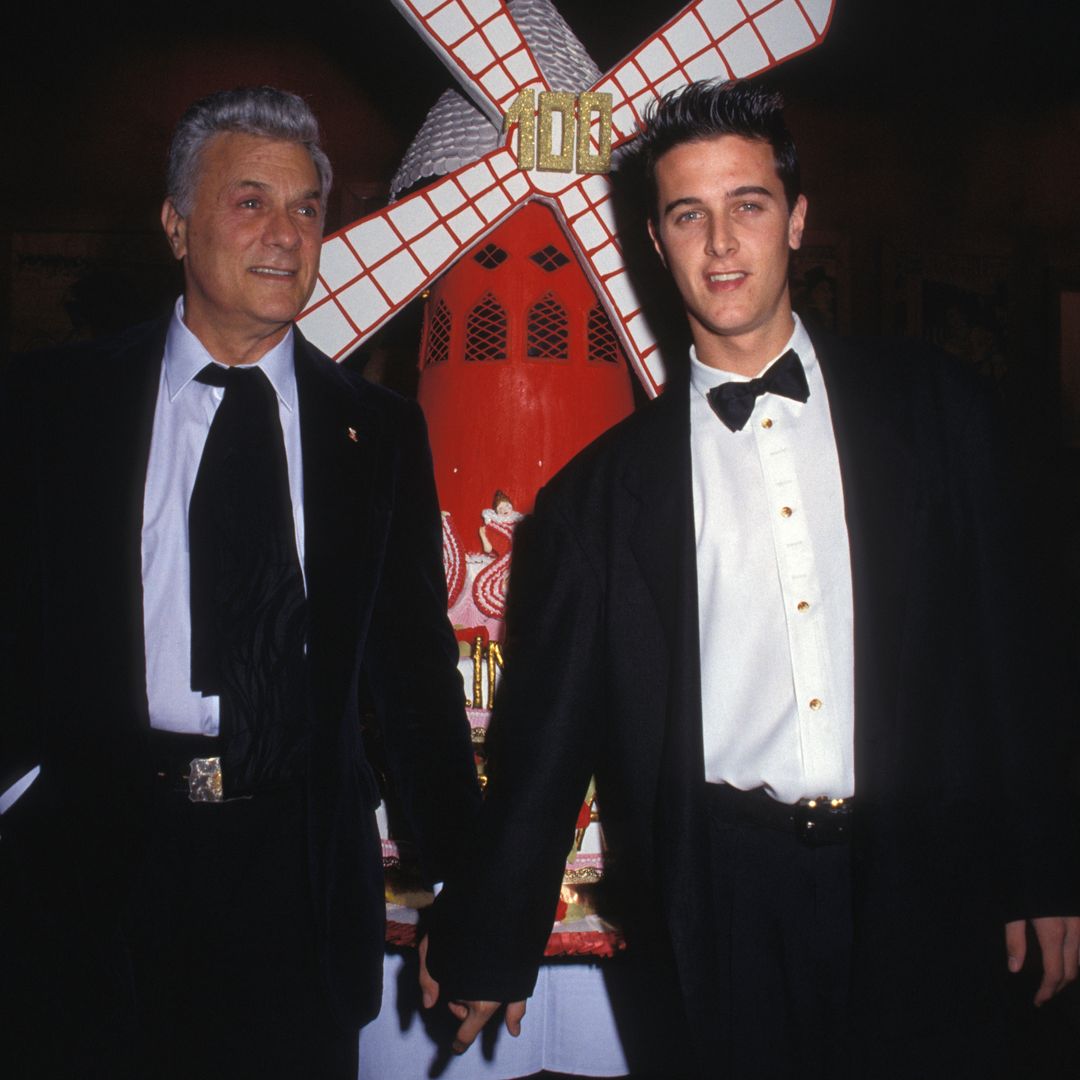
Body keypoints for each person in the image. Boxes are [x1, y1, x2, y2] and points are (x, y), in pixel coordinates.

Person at [419, 79, 1080, 1078]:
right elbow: (546, 743)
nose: (721, 245)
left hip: (925, 874)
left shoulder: (939, 411)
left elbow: (1016, 653)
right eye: (690, 214)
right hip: (719, 903)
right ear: (654, 239)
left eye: (749, 206)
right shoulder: (597, 497)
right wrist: (489, 932)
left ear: (798, 219)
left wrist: (1048, 862)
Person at [0, 86, 480, 1079]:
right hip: (92, 879)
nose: (287, 235)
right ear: (175, 225)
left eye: (308, 208)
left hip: (296, 886)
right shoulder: (50, 407)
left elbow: (415, 685)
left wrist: (470, 891)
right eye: (250, 201)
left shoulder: (377, 432)